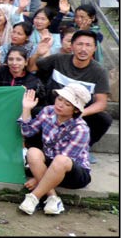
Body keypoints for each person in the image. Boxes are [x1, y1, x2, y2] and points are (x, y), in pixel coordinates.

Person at [29, 30, 113, 157]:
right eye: (79, 44)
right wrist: (37, 54)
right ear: (72, 46)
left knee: (103, 119)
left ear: (95, 48)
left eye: (88, 45)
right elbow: (31, 68)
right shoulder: (58, 59)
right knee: (35, 111)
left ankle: (81, 148)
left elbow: (101, 103)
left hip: (77, 112)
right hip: (54, 108)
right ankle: (38, 150)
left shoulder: (99, 71)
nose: (83, 49)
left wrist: (79, 113)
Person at [17, 85, 91, 215]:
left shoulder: (80, 129)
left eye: (67, 103)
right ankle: (53, 198)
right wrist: (26, 108)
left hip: (72, 173)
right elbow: (27, 131)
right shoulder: (48, 111)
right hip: (50, 166)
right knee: (33, 152)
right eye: (60, 99)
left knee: (60, 160)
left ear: (75, 110)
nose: (60, 105)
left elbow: (64, 159)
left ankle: (34, 197)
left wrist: (37, 179)